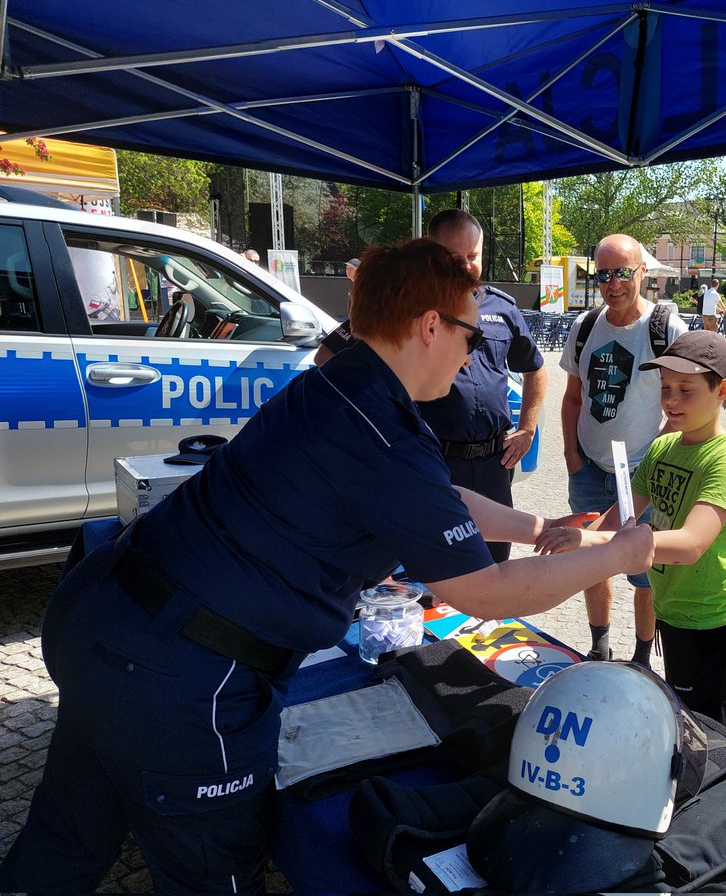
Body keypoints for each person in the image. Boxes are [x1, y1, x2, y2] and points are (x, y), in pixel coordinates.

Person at [0, 240, 653, 893]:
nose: (473, 354)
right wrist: (620, 555)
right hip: (182, 678)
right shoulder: (385, 435)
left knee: (65, 835)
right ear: (431, 325)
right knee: (211, 872)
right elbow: (483, 591)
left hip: (102, 616)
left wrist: (542, 529)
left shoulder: (341, 385)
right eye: (470, 336)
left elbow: (439, 501)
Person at [538, 331, 726, 733]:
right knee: (683, 727)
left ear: (722, 390)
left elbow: (691, 544)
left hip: (715, 623)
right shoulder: (662, 449)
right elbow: (622, 514)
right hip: (670, 613)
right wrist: (578, 540)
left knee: (718, 741)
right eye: (665, 388)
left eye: (685, 390)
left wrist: (608, 546)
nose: (671, 401)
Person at [316, 210, 548, 563]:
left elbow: (536, 368)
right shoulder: (400, 304)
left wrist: (527, 427)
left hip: (491, 460)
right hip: (434, 457)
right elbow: (328, 357)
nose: (466, 267)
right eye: (455, 258)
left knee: (491, 559)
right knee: (435, 566)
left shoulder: (502, 306)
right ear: (429, 325)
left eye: (473, 257)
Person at [561, 233, 689, 664]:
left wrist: (655, 469)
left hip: (643, 475)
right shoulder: (584, 327)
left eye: (621, 273)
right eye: (602, 275)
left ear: (642, 272)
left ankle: (640, 657)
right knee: (591, 559)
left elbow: (684, 404)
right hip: (590, 470)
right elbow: (572, 397)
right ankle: (599, 645)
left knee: (644, 572)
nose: (612, 284)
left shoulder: (666, 328)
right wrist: (572, 458)